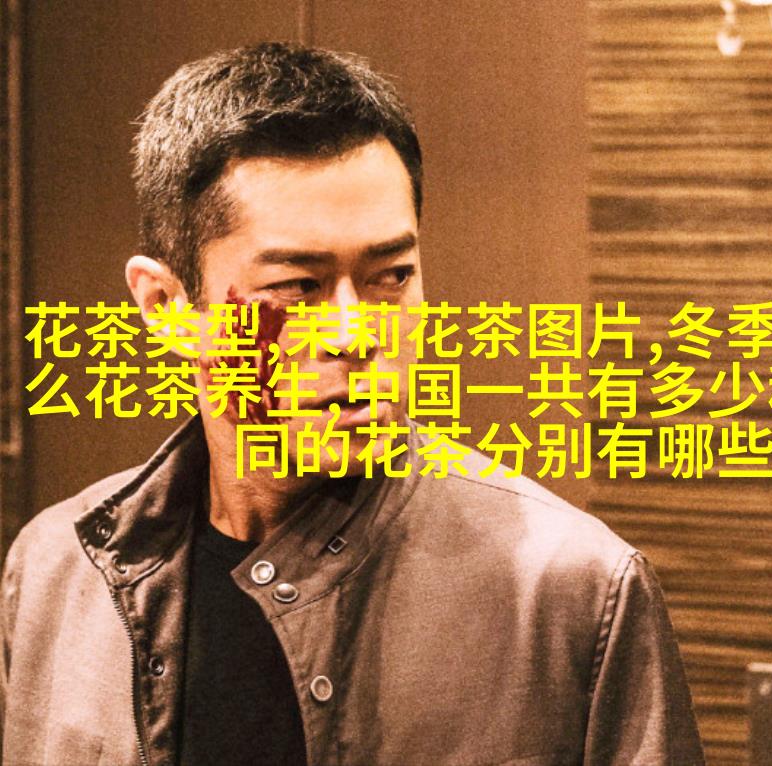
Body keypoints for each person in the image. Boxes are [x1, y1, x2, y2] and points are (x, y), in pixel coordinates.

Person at [0, 42, 705, 765]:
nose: (354, 332)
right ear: (168, 306)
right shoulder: (57, 569)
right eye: (296, 287)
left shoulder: (572, 591)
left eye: (390, 276)